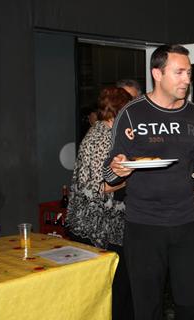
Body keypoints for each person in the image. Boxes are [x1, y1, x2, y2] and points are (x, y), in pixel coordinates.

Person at [103, 44, 194, 320]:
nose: (187, 79)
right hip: (143, 226)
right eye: (179, 72)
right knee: (147, 305)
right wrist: (119, 170)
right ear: (157, 74)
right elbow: (110, 173)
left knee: (192, 301)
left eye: (188, 72)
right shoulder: (132, 113)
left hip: (186, 222)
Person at [66, 86, 134, 320]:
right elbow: (100, 187)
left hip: (93, 226)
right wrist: (135, 176)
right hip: (99, 229)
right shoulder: (103, 137)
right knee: (114, 289)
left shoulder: (98, 131)